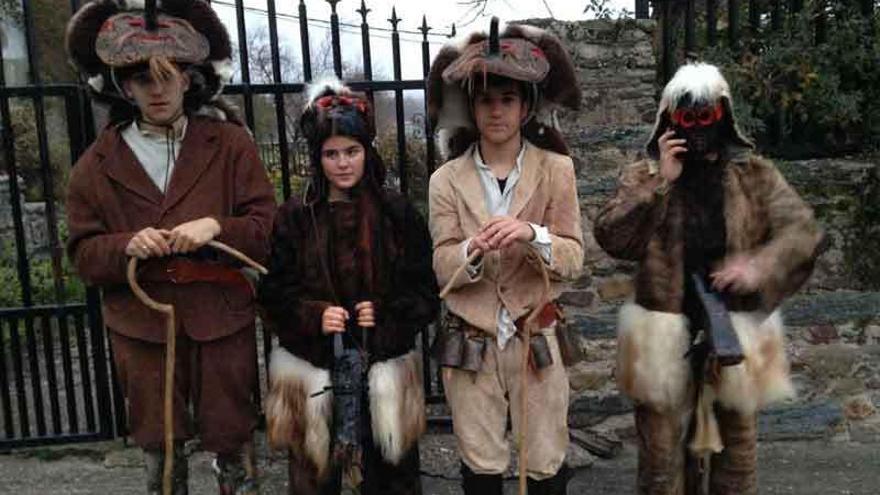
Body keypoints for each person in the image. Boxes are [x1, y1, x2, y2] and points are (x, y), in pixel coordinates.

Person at [64, 1, 275, 493]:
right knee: (159, 451)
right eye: (141, 78)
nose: (156, 89)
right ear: (122, 84)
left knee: (232, 439)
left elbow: (267, 231)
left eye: (167, 75)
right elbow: (82, 255)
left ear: (188, 78)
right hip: (142, 326)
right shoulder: (95, 165)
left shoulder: (230, 145)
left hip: (220, 319)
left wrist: (216, 227)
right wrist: (124, 246)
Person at [594, 62, 822, 495]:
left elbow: (803, 232)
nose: (698, 127)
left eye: (706, 114)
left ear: (723, 115)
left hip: (735, 335)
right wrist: (661, 180)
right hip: (663, 338)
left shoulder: (755, 177)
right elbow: (611, 235)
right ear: (669, 122)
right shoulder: (643, 177)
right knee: (660, 464)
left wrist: (757, 266)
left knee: (735, 462)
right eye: (687, 116)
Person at [426, 18, 584, 495]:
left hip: (537, 335)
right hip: (471, 342)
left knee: (543, 463)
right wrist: (471, 250)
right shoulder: (445, 180)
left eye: (508, 100)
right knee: (481, 464)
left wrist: (531, 233)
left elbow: (574, 257)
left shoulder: (556, 170)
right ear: (472, 108)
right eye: (486, 100)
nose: (496, 111)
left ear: (525, 107)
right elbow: (441, 263)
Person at [259, 78, 439, 495]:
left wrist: (390, 313)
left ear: (367, 152)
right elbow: (271, 295)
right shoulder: (294, 217)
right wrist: (313, 315)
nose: (342, 163)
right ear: (317, 157)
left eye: (351, 151)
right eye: (331, 153)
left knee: (392, 481)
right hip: (313, 368)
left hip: (384, 365)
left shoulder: (397, 213)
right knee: (314, 482)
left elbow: (425, 292)